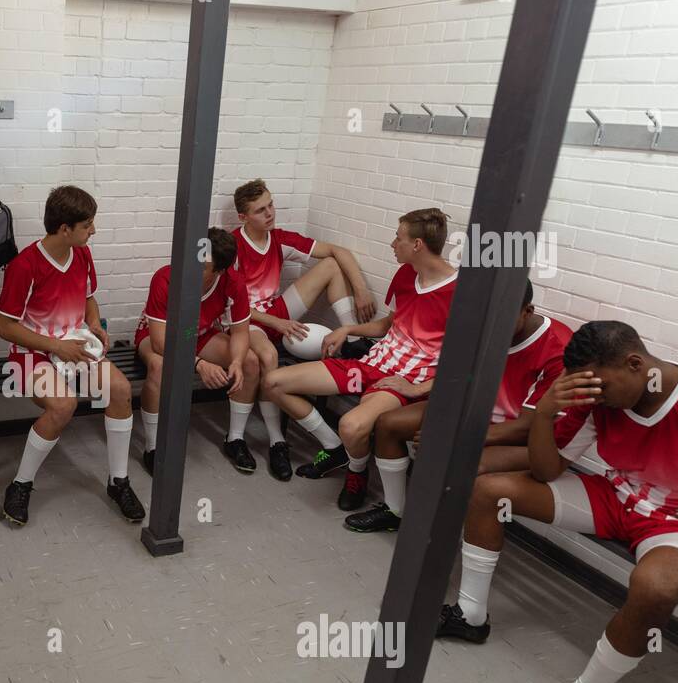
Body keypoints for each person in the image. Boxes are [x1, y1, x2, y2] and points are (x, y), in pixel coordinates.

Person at [448, 320, 678, 683]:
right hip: (618, 496)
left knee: (656, 588)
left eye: (603, 385)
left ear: (635, 363)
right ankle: (470, 616)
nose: (597, 395)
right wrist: (546, 412)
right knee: (489, 491)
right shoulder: (596, 399)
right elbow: (547, 470)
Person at [263, 208, 457, 514]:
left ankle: (356, 473)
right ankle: (336, 449)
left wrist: (418, 390)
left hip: (398, 381)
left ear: (417, 244)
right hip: (370, 362)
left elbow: (465, 363)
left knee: (352, 425)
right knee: (274, 382)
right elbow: (387, 325)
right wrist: (348, 328)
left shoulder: (460, 293)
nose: (393, 243)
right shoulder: (407, 274)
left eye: (399, 237)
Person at [345, 280, 572, 532]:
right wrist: (419, 388)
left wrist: (454, 438)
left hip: (522, 435)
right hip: (475, 415)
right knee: (389, 423)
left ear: (526, 311)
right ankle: (394, 511)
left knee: (462, 460)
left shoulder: (559, 349)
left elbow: (527, 427)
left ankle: (449, 534)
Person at [0, 185, 145, 526]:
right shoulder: (24, 266)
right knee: (63, 405)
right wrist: (56, 347)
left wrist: (94, 324)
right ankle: (20, 484)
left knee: (120, 390)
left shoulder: (82, 254)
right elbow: (6, 327)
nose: (94, 230)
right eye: (88, 224)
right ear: (65, 228)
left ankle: (118, 481)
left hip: (75, 346)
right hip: (32, 354)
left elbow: (89, 297)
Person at [231, 178, 376, 479]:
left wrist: (361, 290)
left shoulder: (280, 238)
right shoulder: (233, 247)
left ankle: (350, 338)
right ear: (243, 217)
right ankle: (277, 441)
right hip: (248, 321)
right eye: (260, 210)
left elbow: (339, 252)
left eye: (270, 204)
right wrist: (277, 323)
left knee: (331, 266)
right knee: (267, 358)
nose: (270, 213)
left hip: (276, 312)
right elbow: (233, 308)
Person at [135, 227, 256, 474]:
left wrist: (235, 361)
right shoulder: (166, 278)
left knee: (250, 361)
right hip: (159, 336)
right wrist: (198, 364)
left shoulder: (232, 282)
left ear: (219, 271)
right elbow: (159, 343)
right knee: (158, 367)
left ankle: (235, 438)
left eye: (202, 266)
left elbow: (241, 332)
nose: (191, 268)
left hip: (196, 335)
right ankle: (153, 448)